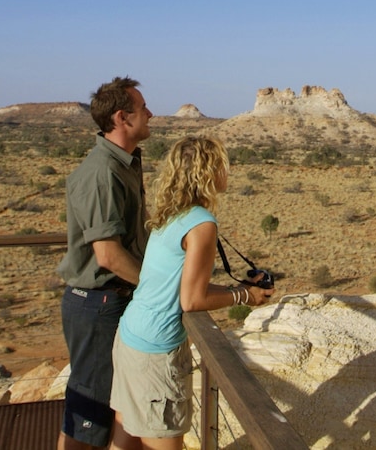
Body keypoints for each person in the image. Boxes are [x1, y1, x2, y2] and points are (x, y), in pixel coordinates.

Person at [108, 135, 274, 450]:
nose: (228, 173)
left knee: (124, 439)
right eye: (224, 166)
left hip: (130, 337)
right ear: (209, 174)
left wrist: (238, 289)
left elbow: (183, 287)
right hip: (155, 353)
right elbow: (192, 300)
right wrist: (245, 296)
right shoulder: (201, 225)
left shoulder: (172, 213)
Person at [57, 76, 153, 450]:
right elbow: (109, 255)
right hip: (97, 304)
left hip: (109, 301)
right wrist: (156, 288)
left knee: (109, 405)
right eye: (143, 108)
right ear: (121, 118)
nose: (150, 114)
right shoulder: (103, 173)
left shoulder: (123, 163)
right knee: (90, 413)